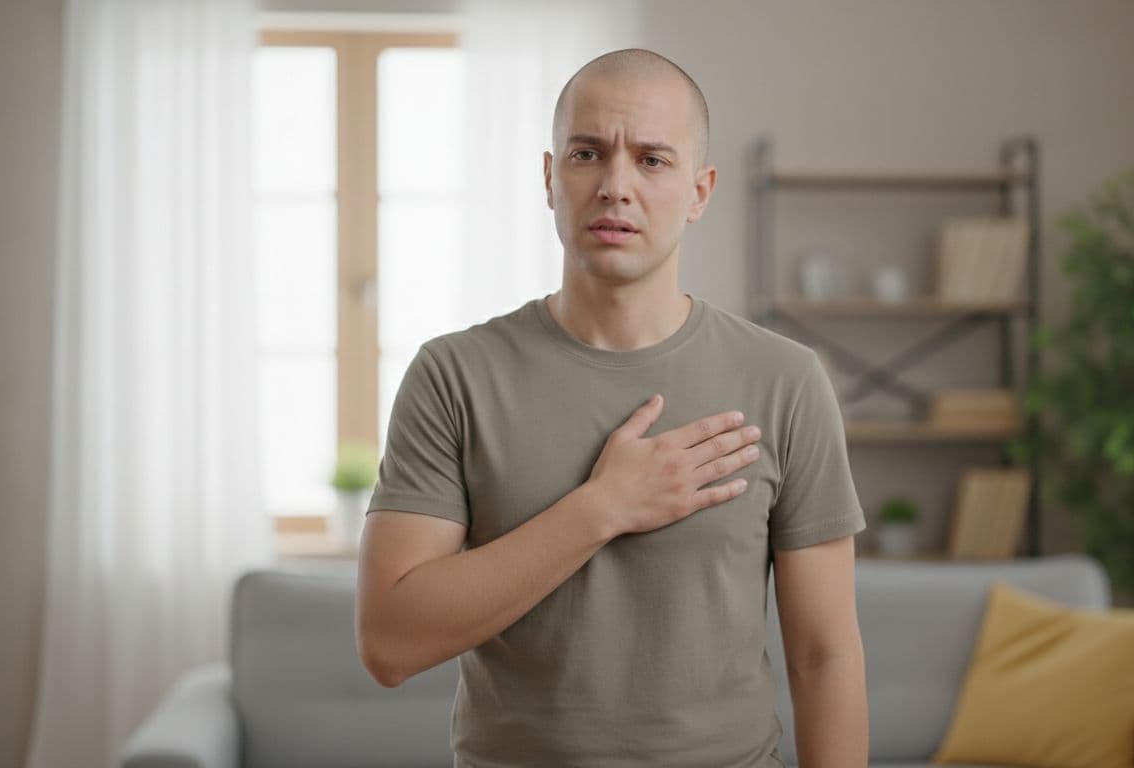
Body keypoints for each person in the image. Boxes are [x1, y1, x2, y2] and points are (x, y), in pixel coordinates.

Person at [356, 47, 869, 768]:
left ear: (699, 191)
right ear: (550, 178)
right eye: (587, 154)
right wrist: (603, 508)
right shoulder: (453, 375)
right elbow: (389, 644)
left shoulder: (785, 379)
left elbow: (823, 656)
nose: (615, 187)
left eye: (652, 160)